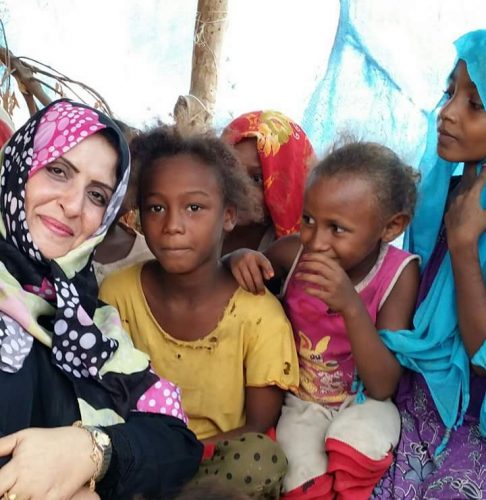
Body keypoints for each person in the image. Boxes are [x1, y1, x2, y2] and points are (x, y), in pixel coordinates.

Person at [0, 100, 202, 500]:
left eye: (96, 195)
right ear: (19, 165)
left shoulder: (88, 321)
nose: (73, 206)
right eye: (58, 171)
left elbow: (177, 444)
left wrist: (93, 451)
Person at [99, 126, 300, 498]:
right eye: (156, 208)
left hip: (212, 468)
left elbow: (258, 426)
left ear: (228, 216)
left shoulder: (260, 316)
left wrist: (178, 454)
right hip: (137, 455)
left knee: (261, 458)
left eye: (194, 208)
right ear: (139, 215)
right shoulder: (118, 294)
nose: (173, 226)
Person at [227, 142, 420, 499]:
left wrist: (351, 305)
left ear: (391, 227)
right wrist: (237, 258)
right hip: (301, 403)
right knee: (300, 479)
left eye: (337, 228)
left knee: (357, 445)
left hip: (365, 402)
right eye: (309, 220)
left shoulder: (398, 273)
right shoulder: (292, 254)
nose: (316, 241)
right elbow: (242, 274)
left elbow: (383, 386)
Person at [374, 30, 486, 500]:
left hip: (476, 418)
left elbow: (481, 356)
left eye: (474, 104)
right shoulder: (448, 193)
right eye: (448, 93)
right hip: (420, 399)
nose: (447, 112)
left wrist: (464, 245)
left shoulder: (466, 218)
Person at [221, 110, 315, 255]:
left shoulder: (290, 252)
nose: (238, 187)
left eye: (257, 179)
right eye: (231, 172)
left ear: (286, 188)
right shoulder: (199, 226)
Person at [93, 120, 154, 284]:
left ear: (137, 199)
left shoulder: (146, 260)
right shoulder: (47, 232)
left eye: (123, 178)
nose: (105, 186)